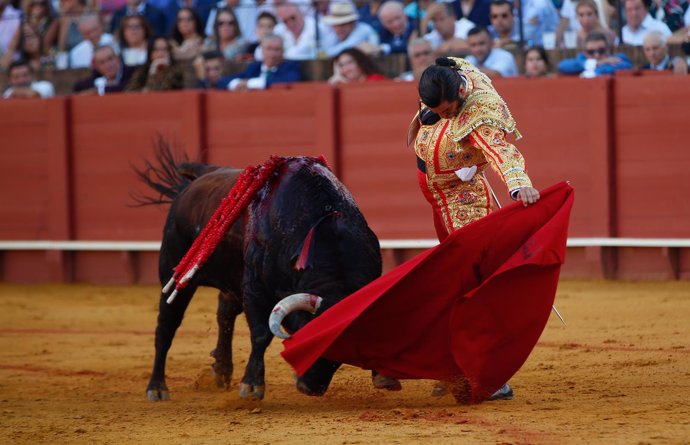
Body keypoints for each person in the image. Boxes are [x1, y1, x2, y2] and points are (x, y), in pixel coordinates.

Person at [408, 57, 540, 399]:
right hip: (438, 194)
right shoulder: (444, 79)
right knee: (450, 281)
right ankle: (452, 365)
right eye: (437, 110)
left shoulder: (481, 111)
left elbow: (501, 151)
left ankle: (485, 373)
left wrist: (517, 183)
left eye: (449, 110)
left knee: (471, 285)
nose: (445, 116)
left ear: (461, 94)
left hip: (462, 197)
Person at [220, 33, 301, 90]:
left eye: (277, 49)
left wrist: (251, 84)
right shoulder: (254, 68)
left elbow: (289, 80)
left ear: (283, 52)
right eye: (269, 49)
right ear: (262, 50)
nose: (272, 54)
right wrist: (236, 84)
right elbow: (222, 81)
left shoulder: (290, 67)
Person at [558, 31, 632, 76]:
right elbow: (562, 66)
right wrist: (598, 63)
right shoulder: (582, 61)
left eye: (601, 50)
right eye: (591, 52)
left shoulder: (618, 58)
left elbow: (626, 66)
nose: (597, 55)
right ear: (585, 53)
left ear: (607, 50)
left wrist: (596, 71)